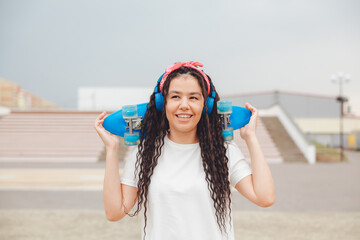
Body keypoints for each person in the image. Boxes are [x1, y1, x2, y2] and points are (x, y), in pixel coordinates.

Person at [94, 61, 275, 240]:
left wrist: (250, 137)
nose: (184, 105)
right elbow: (114, 212)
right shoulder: (144, 154)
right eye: (175, 97)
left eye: (193, 97)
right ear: (162, 104)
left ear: (207, 105)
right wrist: (112, 150)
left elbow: (264, 197)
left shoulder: (223, 151)